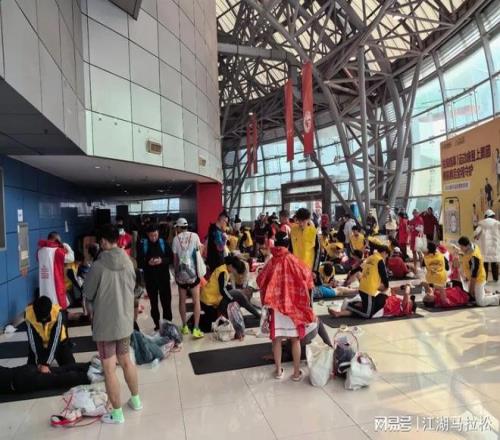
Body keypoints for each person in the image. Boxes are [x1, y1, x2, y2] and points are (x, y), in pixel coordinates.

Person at [83, 224, 141, 425]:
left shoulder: (98, 266)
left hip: (105, 325)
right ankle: (136, 401)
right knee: (126, 361)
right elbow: (133, 289)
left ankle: (117, 414)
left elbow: (88, 292)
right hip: (124, 322)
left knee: (109, 368)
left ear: (103, 242)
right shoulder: (128, 261)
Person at [257, 232, 315, 381]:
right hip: (294, 307)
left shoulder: (271, 262)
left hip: (276, 307)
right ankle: (296, 373)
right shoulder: (294, 260)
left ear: (275, 244)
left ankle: (278, 371)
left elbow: (260, 280)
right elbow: (308, 277)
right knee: (295, 340)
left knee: (276, 340)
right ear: (288, 244)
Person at [329, 244, 390, 318]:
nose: (385, 257)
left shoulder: (370, 257)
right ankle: (349, 305)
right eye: (386, 255)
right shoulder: (380, 260)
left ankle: (343, 312)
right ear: (384, 252)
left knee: (366, 308)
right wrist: (386, 286)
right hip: (368, 290)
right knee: (367, 314)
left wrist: (350, 274)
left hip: (362, 287)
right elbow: (384, 275)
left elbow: (359, 268)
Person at [137, 224, 173, 330]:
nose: (153, 238)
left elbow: (171, 258)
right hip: (150, 279)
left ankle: (167, 324)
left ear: (158, 233)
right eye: (151, 236)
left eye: (155, 235)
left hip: (164, 278)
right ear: (147, 235)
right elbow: (139, 262)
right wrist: (148, 263)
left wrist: (162, 260)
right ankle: (157, 325)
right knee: (154, 304)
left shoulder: (163, 243)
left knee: (166, 302)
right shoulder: (143, 245)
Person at [172, 218, 204, 338]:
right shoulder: (195, 236)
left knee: (182, 301)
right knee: (196, 301)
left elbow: (175, 259)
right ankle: (196, 328)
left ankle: (185, 326)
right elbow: (200, 252)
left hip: (181, 274)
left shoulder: (175, 239)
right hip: (193, 274)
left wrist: (176, 274)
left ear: (178, 227)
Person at [25, 296, 75, 370]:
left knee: (72, 368)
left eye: (45, 318)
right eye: (40, 318)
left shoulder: (58, 313)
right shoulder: (28, 315)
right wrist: (40, 362)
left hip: (60, 344)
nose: (44, 320)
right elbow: (33, 341)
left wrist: (46, 363)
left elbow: (55, 340)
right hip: (40, 345)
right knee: (31, 371)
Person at [0, 362, 93, 396]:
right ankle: (90, 365)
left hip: (20, 382)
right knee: (60, 370)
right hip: (21, 370)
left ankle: (89, 376)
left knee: (58, 378)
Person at [458, 236, 500, 307]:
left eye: (462, 247)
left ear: (467, 245)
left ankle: (498, 298)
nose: (460, 249)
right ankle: (491, 294)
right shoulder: (471, 247)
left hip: (478, 279)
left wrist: (470, 291)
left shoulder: (474, 257)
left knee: (480, 302)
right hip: (473, 278)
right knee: (475, 295)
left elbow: (474, 276)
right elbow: (467, 256)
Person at [38, 232, 75, 310]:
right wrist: (66, 246)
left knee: (46, 307)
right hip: (55, 285)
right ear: (56, 239)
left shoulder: (40, 251)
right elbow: (71, 258)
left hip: (44, 286)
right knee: (57, 307)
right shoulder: (57, 251)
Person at [474, 209, 500, 283]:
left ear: (486, 216)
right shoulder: (497, 223)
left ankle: (485, 278)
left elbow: (476, 233)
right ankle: (495, 279)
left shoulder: (482, 224)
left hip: (484, 247)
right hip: (495, 246)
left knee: (484, 263)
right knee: (494, 263)